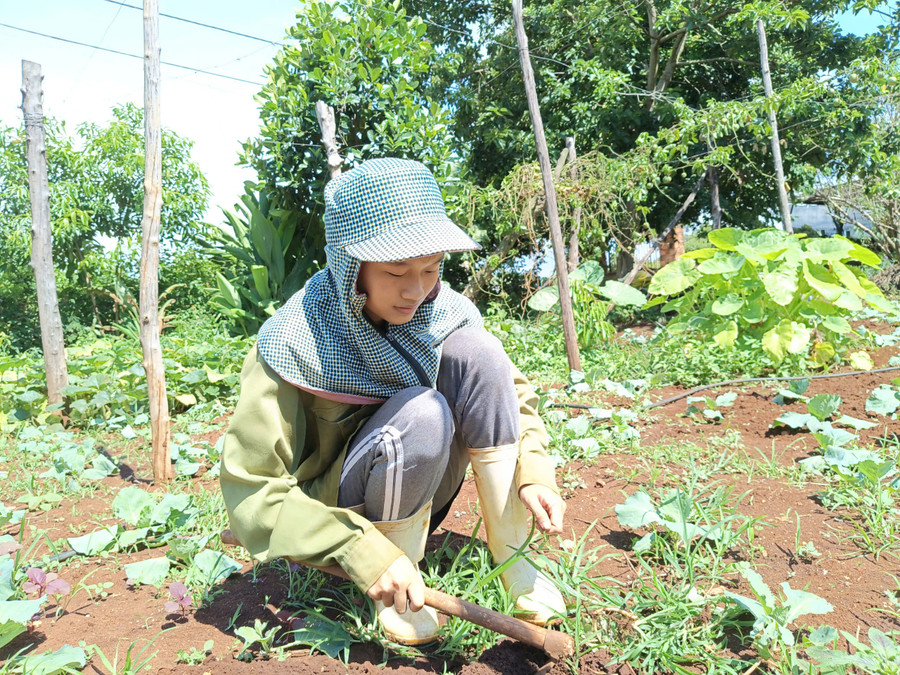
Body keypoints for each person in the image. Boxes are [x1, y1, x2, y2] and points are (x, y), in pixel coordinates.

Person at [220, 158, 566, 645]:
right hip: (341, 512)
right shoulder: (293, 340)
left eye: (430, 268)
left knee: (480, 352)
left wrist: (532, 471)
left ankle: (512, 556)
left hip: (424, 488)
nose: (416, 289)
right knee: (422, 412)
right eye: (395, 270)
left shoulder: (444, 310)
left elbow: (511, 394)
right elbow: (251, 489)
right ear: (349, 268)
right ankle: (396, 585)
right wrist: (362, 551)